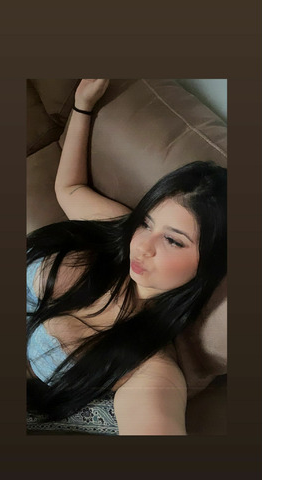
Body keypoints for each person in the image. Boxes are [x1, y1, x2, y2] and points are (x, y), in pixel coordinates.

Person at [26, 79, 227, 435]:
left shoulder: (150, 369)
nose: (143, 245)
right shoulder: (124, 233)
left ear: (209, 263)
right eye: (147, 222)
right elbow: (69, 189)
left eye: (173, 241)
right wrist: (83, 105)